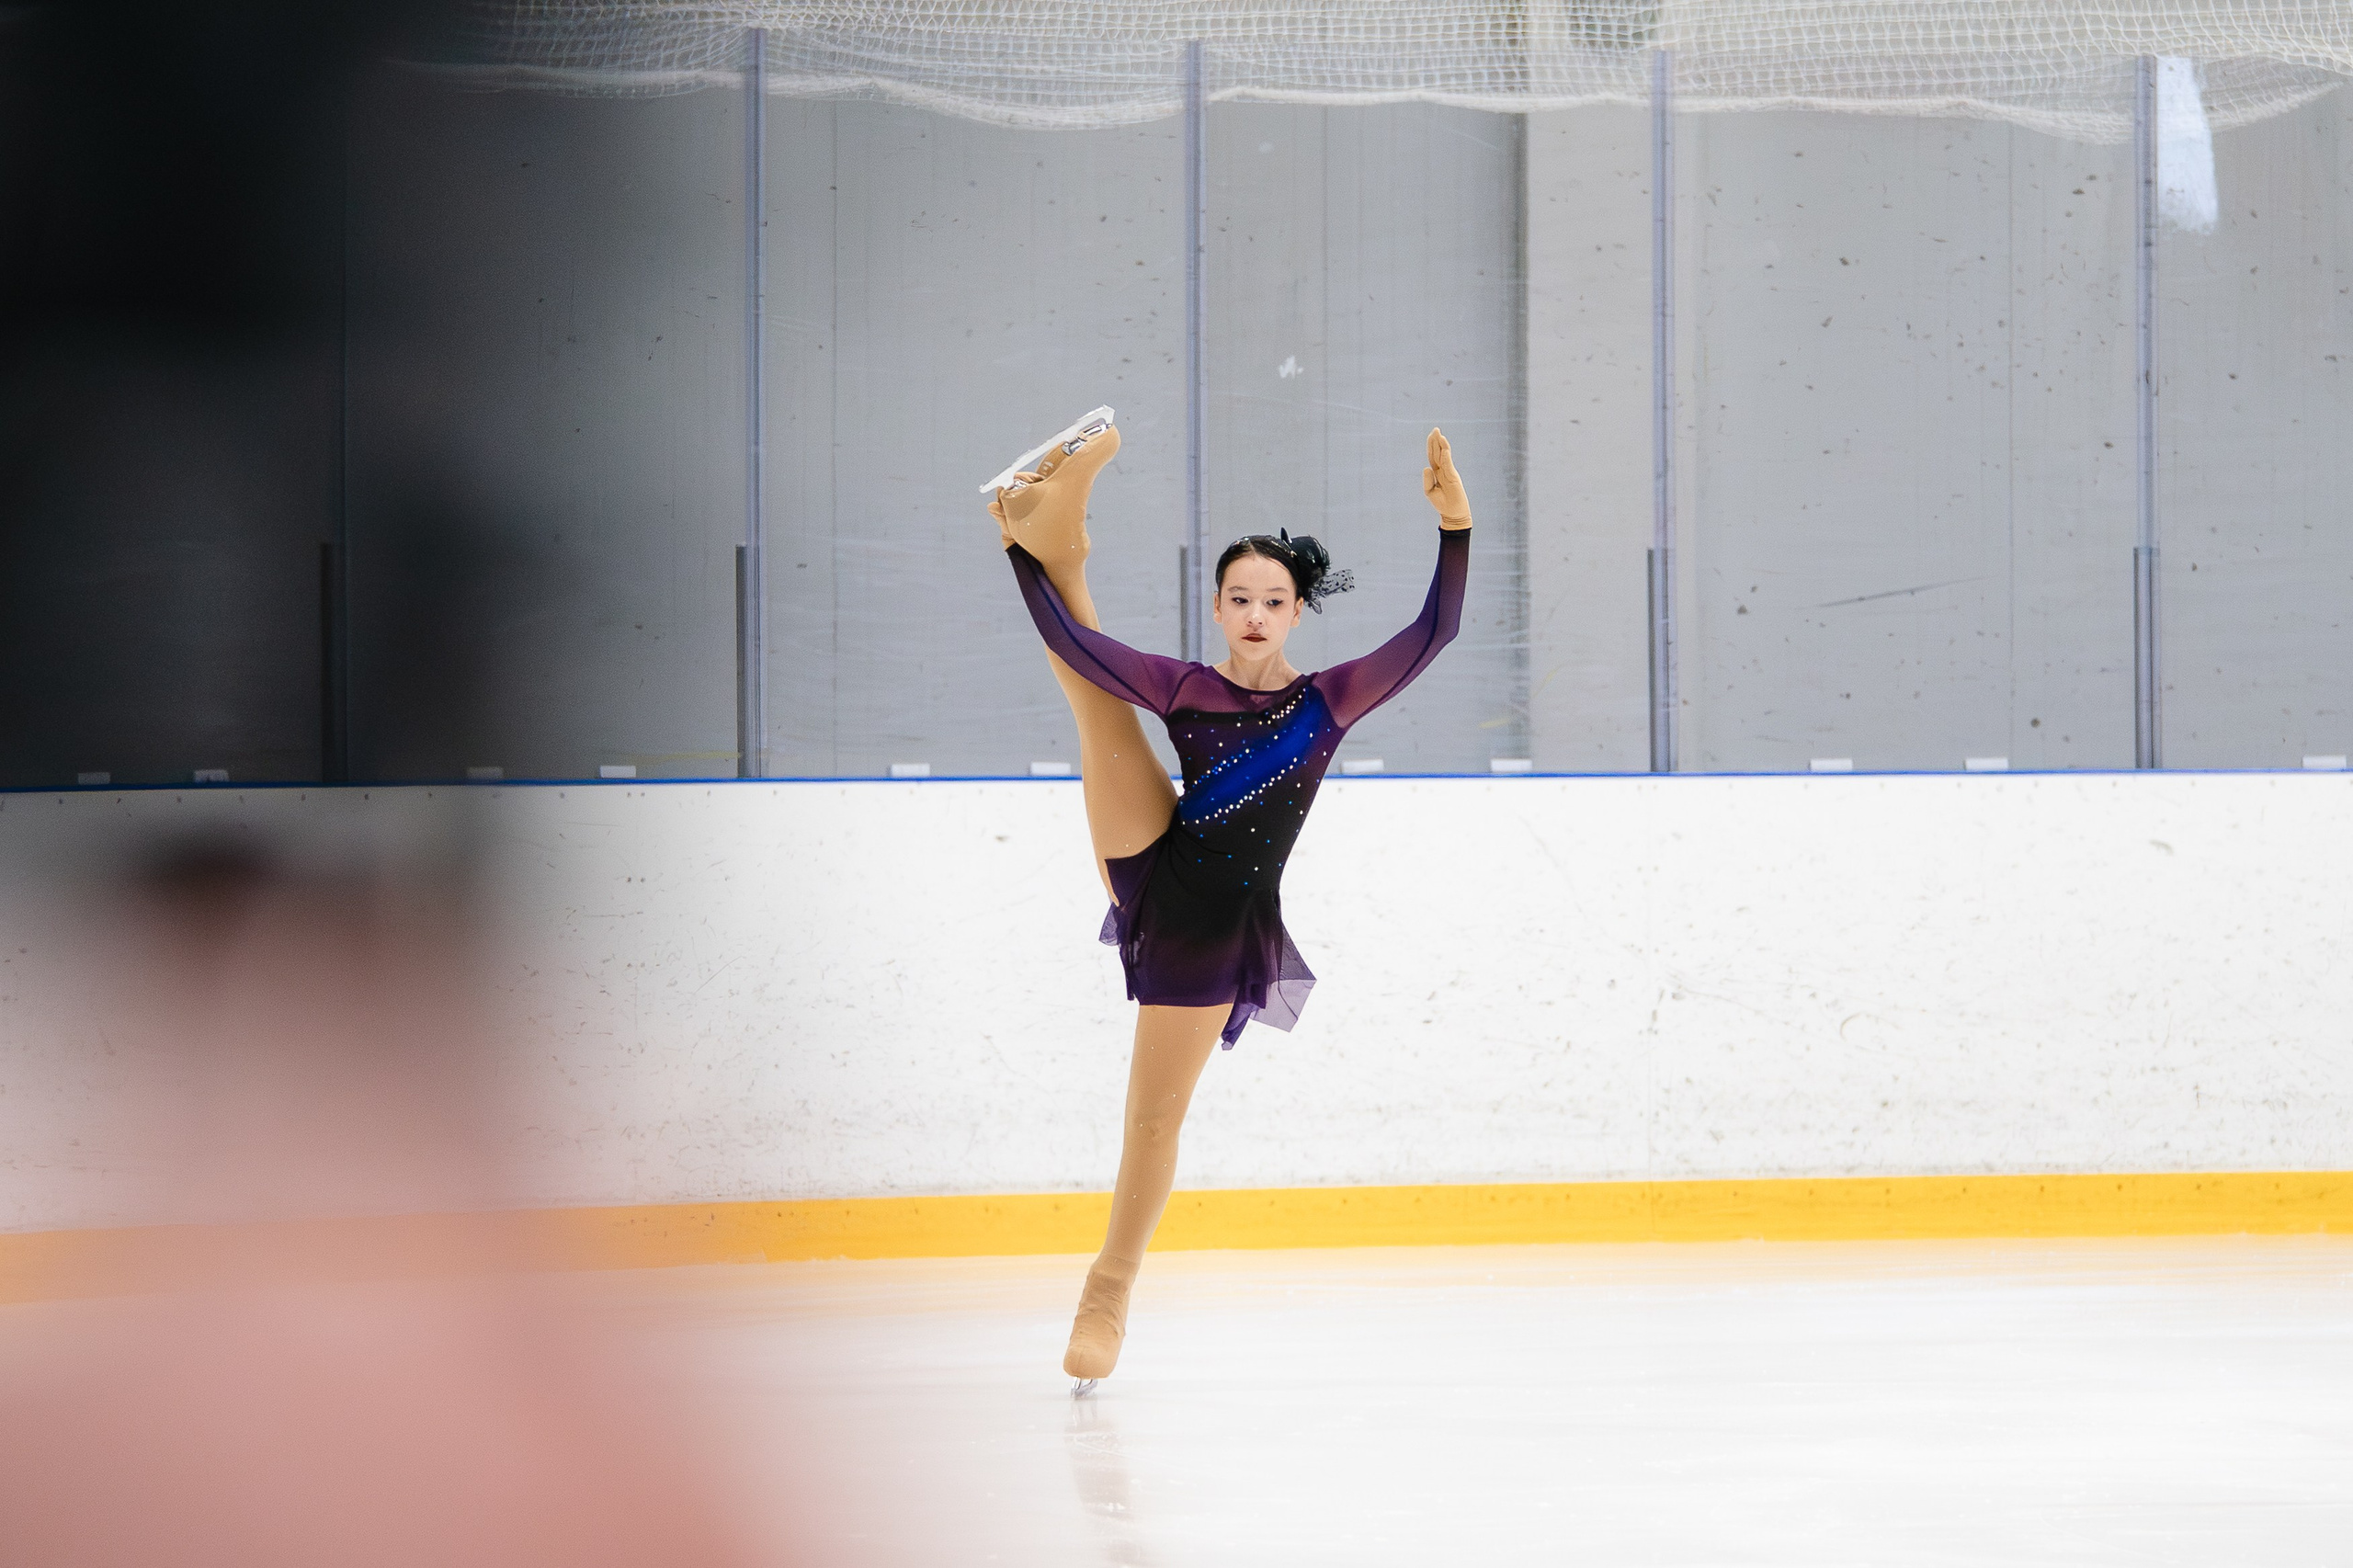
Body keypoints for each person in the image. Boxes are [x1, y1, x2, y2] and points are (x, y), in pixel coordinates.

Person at [990, 422, 1472, 1386]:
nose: (1255, 613)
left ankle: (1109, 1287)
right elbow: (1070, 640)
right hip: (1151, 864)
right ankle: (1052, 530)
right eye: (1240, 598)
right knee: (1097, 700)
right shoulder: (1186, 689)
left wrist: (1454, 527)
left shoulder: (1327, 702)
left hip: (1217, 928)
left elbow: (1434, 633)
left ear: (1297, 614)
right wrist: (1009, 551)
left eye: (1273, 601)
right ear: (1217, 607)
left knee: (1153, 1121)